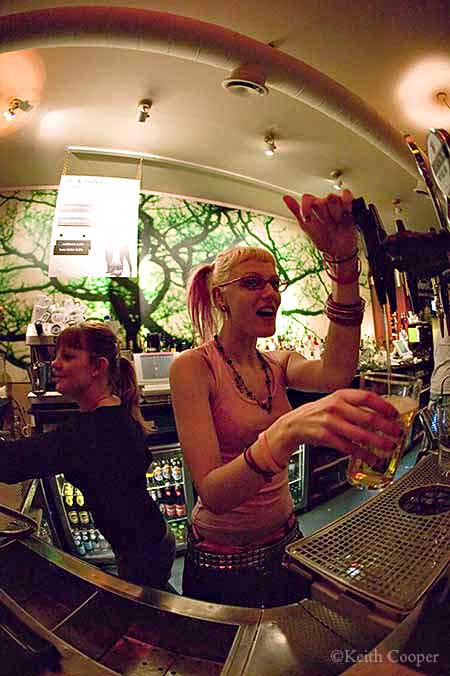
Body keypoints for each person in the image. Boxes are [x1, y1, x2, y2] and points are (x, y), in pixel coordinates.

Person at [169, 189, 403, 608]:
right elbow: (216, 495)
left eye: (275, 283)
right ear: (220, 297)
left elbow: (336, 372)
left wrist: (345, 269)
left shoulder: (277, 363)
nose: (271, 293)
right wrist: (286, 430)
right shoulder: (193, 367)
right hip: (224, 563)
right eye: (253, 283)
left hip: (288, 540)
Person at [0, 322, 175, 590]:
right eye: (56, 355)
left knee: (146, 619)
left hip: (141, 551)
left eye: (68, 356)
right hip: (153, 538)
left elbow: (9, 465)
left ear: (97, 367)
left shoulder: (91, 431)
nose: (55, 364)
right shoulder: (114, 412)